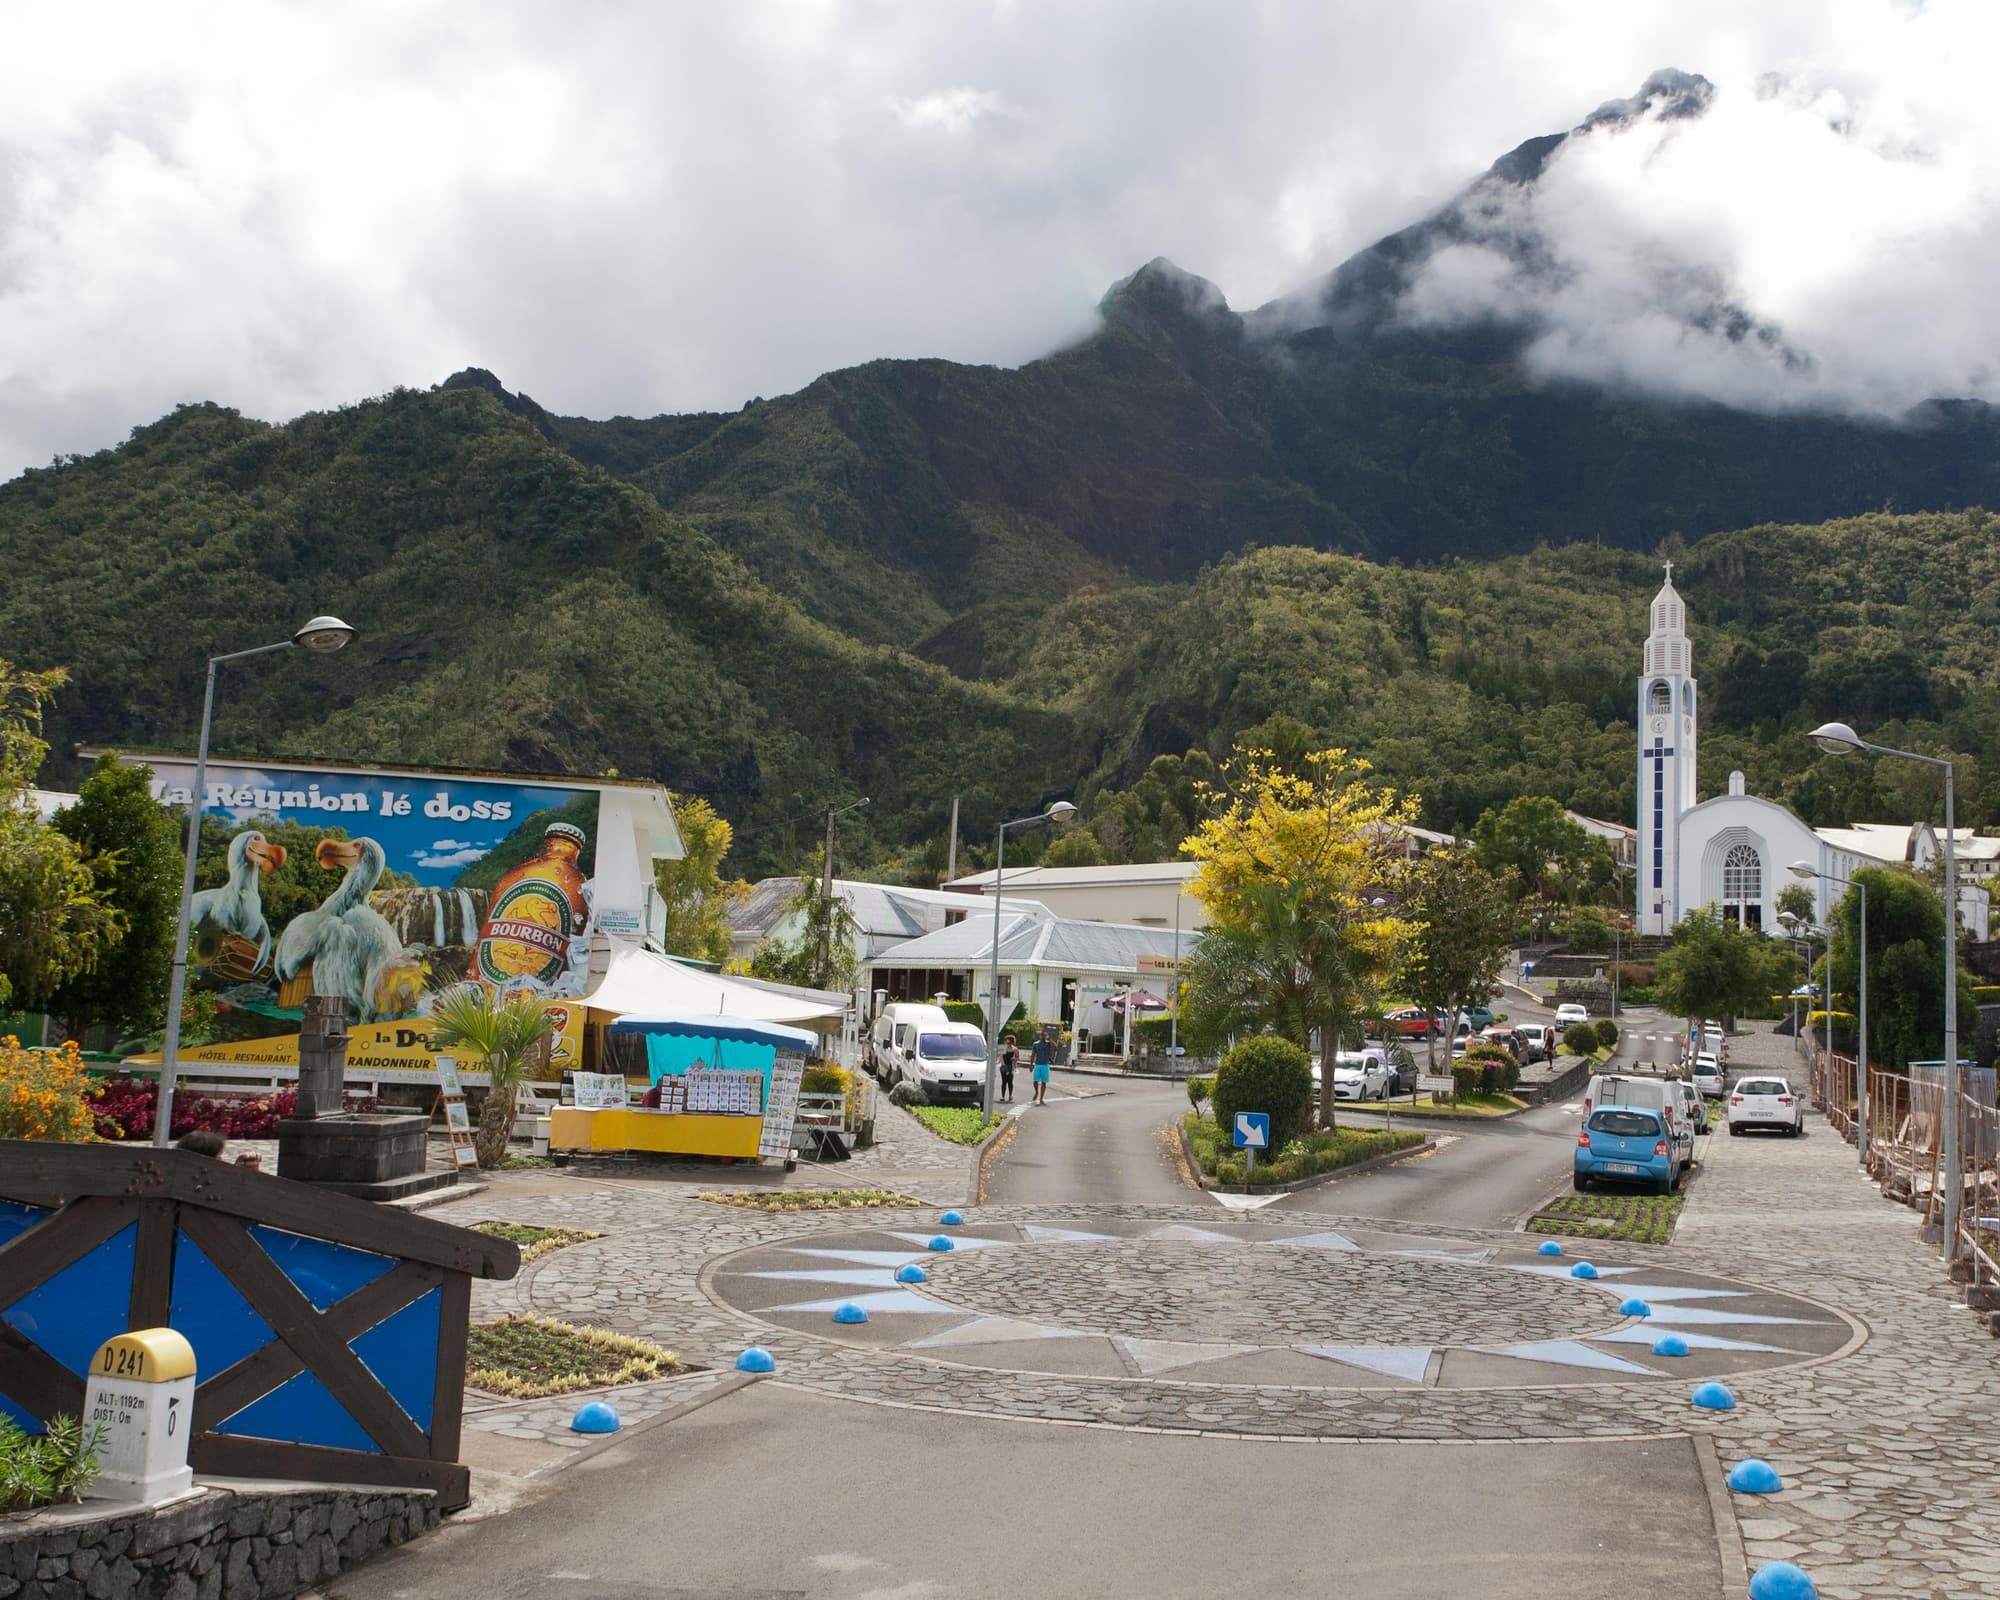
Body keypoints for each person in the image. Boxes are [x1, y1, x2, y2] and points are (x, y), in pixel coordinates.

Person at [1030, 1028, 1053, 1105]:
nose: (1043, 1036)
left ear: (1046, 1036)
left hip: (1045, 1065)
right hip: (1037, 1064)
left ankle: (1041, 1098)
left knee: (1044, 1082)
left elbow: (1056, 1047)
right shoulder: (1035, 1044)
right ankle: (1036, 1092)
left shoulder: (1048, 1043)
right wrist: (1031, 1065)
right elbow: (1033, 1055)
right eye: (1042, 1035)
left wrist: (1050, 1039)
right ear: (1040, 1036)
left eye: (1044, 1035)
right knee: (1035, 1081)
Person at [999, 1033, 1019, 1102]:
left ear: (1012, 1042)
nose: (1008, 1044)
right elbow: (1000, 1057)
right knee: (1004, 1082)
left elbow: (1018, 1058)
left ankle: (1010, 1096)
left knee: (1010, 1082)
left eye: (1010, 1042)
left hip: (1011, 1067)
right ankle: (1002, 1096)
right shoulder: (1003, 1048)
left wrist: (1014, 1059)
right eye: (1007, 1042)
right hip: (1004, 1067)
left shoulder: (1015, 1049)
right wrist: (1003, 1064)